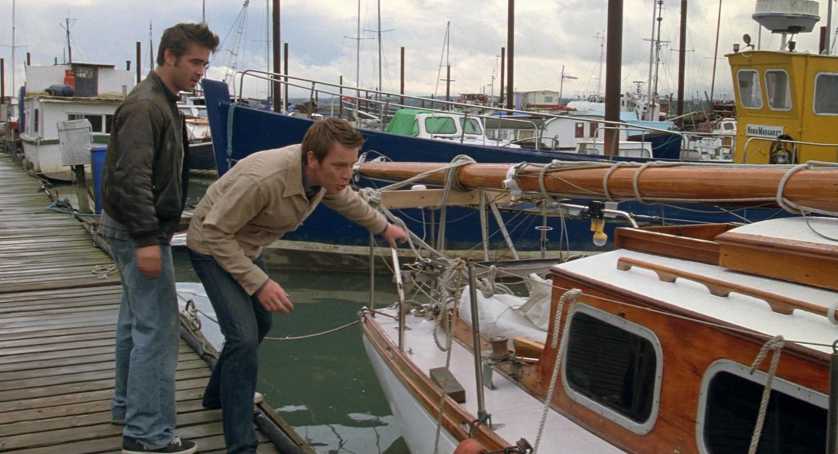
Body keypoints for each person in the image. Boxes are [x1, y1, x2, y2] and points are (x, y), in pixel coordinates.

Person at [187, 118, 408, 453]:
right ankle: (242, 445)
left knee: (261, 323)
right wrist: (261, 284)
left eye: (351, 165)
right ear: (312, 159)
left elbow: (346, 199)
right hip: (211, 246)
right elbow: (215, 233)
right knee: (243, 338)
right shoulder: (264, 180)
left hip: (246, 247)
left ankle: (218, 395)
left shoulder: (320, 178)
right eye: (339, 166)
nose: (347, 175)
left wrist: (383, 227)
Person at [100, 22, 219, 454]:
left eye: (204, 64)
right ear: (169, 55)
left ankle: (127, 406)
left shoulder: (162, 101)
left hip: (135, 227)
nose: (200, 72)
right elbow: (131, 178)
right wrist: (148, 239)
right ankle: (147, 435)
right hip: (138, 231)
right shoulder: (146, 106)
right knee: (158, 331)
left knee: (135, 322)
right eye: (194, 62)